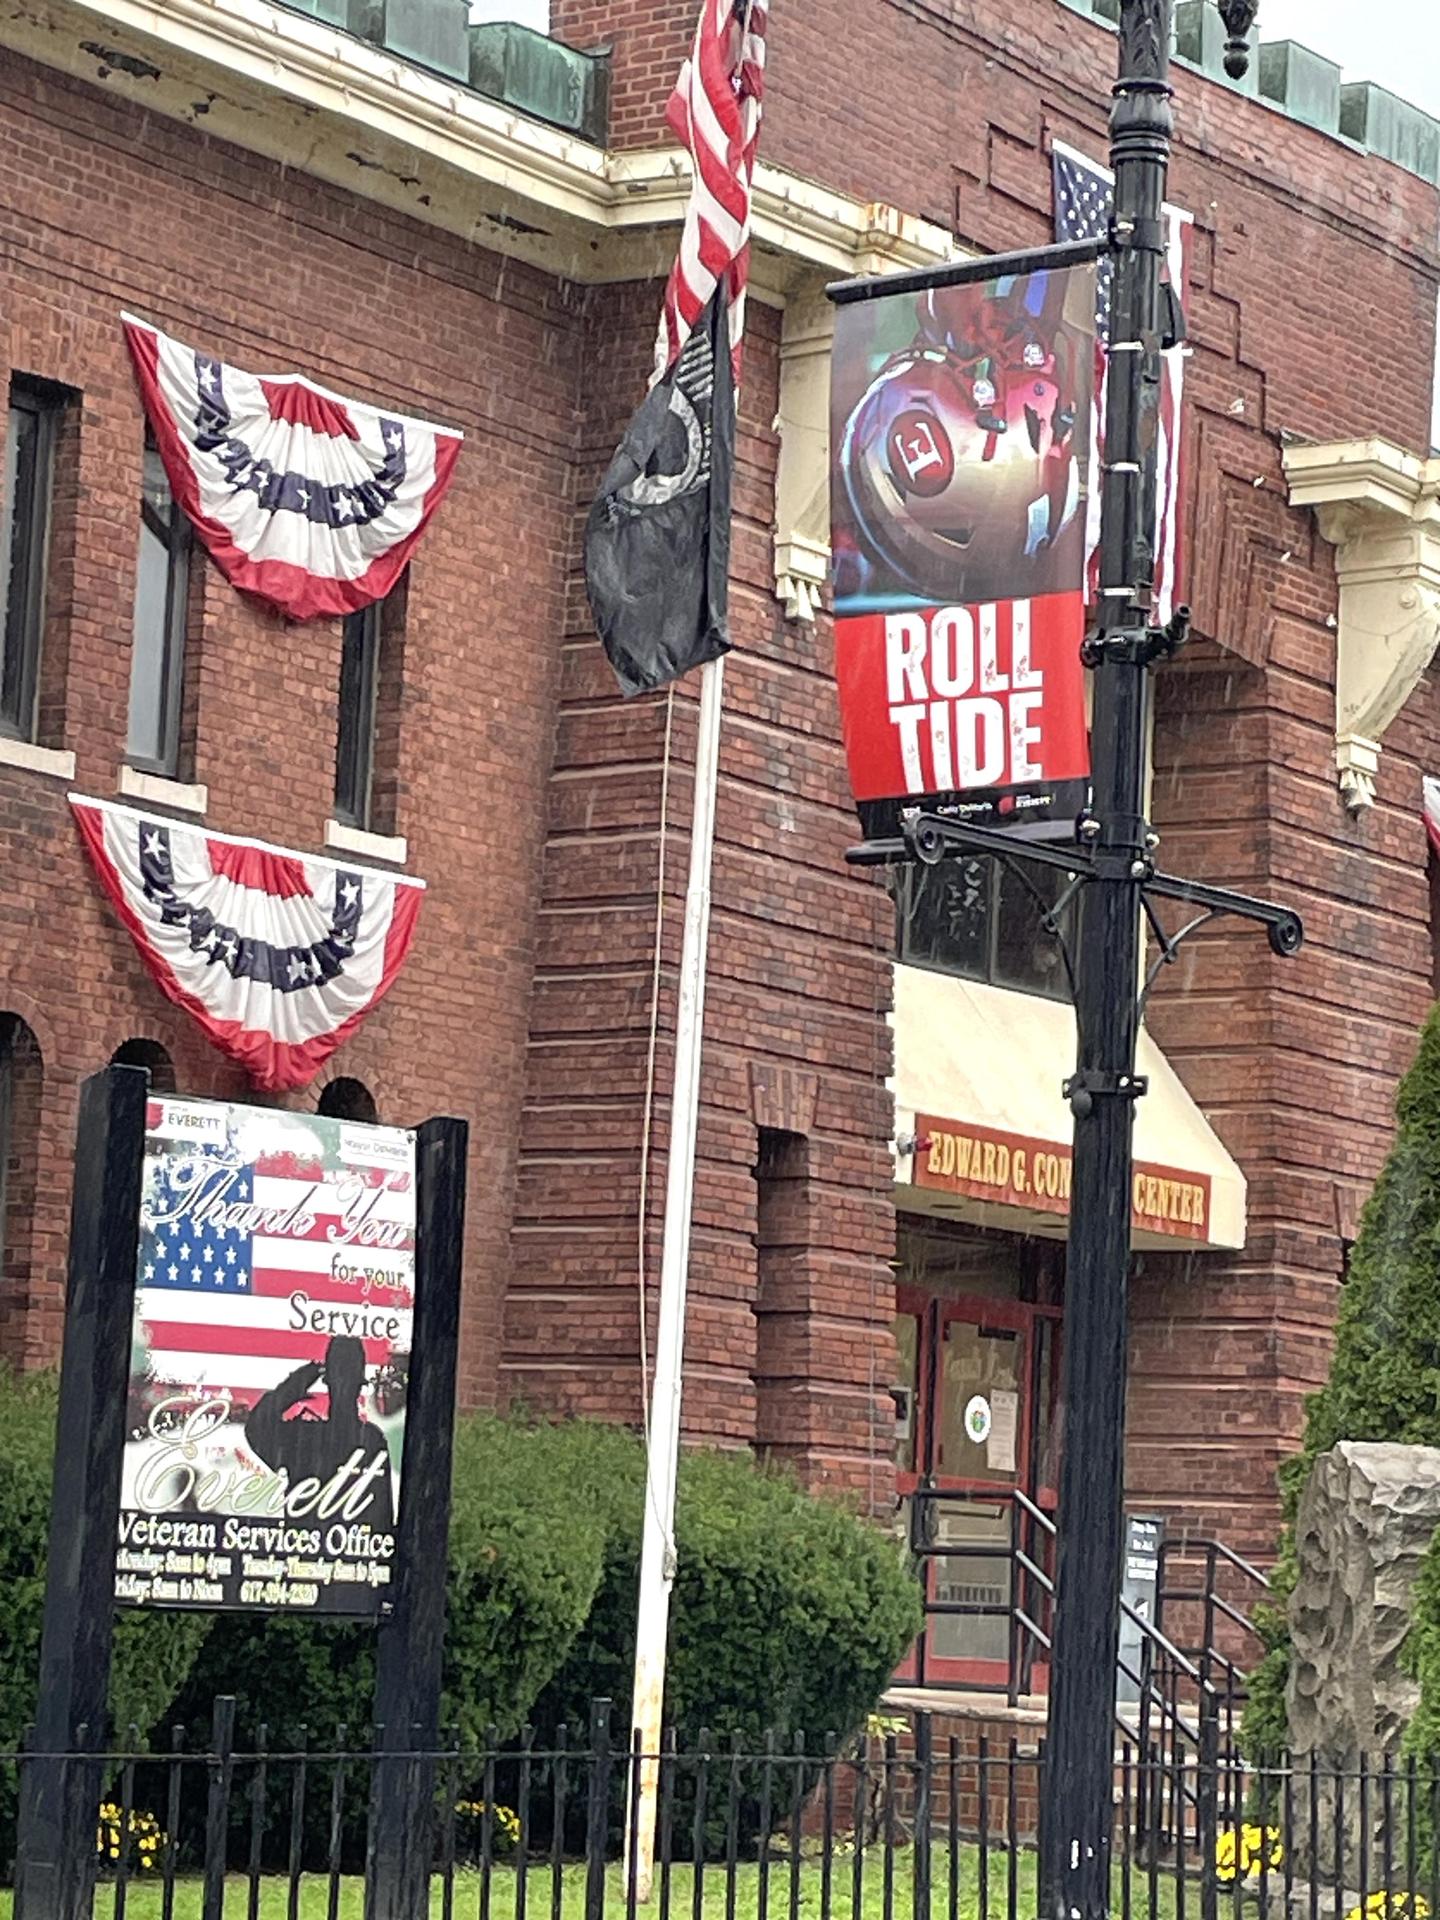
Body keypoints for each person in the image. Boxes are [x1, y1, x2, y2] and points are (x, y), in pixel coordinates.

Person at [245, 1334, 394, 1529]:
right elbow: (257, 1428)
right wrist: (298, 1381)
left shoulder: (371, 1440)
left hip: (346, 1551)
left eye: (347, 1378)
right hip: (306, 1552)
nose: (343, 1387)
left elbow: (383, 1516)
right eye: (340, 1376)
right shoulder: (305, 1435)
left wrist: (300, 1381)